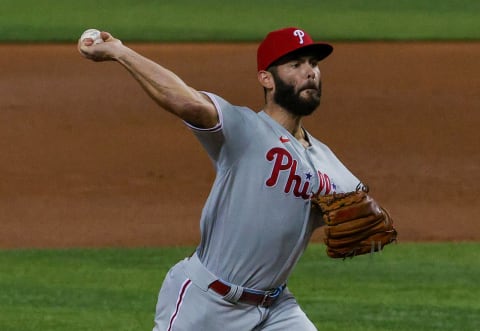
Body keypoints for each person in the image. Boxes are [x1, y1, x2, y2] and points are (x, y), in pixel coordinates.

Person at [78, 27, 361, 331]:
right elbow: (189, 103)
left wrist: (356, 222)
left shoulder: (327, 161)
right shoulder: (245, 129)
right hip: (208, 303)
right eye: (296, 65)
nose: (309, 73)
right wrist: (120, 52)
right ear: (266, 78)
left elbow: (360, 213)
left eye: (313, 64)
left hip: (277, 310)